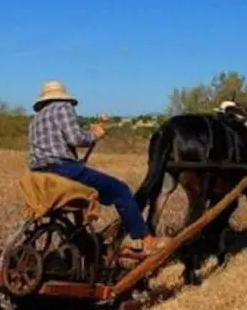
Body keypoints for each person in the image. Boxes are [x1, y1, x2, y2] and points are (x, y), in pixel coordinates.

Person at [27, 80, 169, 257]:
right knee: (121, 191)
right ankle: (147, 239)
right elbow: (76, 138)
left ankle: (87, 246)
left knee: (81, 206)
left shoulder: (36, 120)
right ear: (62, 96)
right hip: (63, 170)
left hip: (41, 175)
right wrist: (95, 134)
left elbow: (58, 140)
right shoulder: (62, 107)